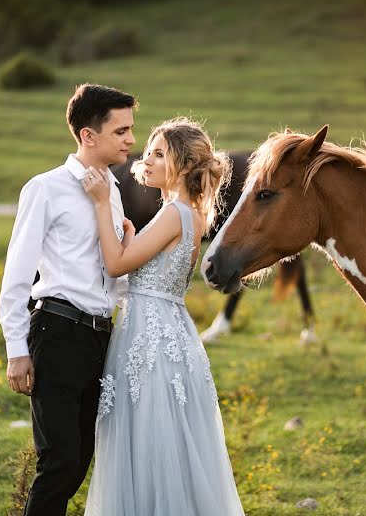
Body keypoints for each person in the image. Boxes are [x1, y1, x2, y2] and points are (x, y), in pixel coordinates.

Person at [80, 117, 246, 515]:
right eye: (149, 152)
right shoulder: (190, 214)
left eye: (159, 153)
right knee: (162, 440)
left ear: (185, 167)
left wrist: (102, 204)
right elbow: (152, 269)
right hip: (167, 330)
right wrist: (134, 238)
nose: (146, 160)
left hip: (150, 338)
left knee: (148, 440)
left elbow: (117, 264)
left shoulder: (174, 213)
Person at [0, 83, 137, 516]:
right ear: (87, 136)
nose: (132, 140)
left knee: (78, 462)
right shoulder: (45, 188)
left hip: (98, 339)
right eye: (121, 131)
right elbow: (17, 275)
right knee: (58, 462)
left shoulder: (111, 191)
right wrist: (16, 351)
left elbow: (109, 272)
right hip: (56, 331)